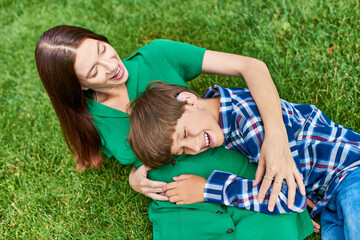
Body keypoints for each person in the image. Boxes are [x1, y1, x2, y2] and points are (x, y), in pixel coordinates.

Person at [35, 25, 313, 239]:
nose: (110, 66)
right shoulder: (88, 120)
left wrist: (276, 137)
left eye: (101, 49)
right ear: (79, 86)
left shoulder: (157, 55)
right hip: (178, 205)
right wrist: (135, 180)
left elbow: (251, 66)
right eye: (93, 70)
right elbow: (129, 156)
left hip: (238, 179)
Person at [128, 82, 360, 239]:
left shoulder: (248, 120)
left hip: (349, 174)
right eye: (184, 151)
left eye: (186, 134)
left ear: (189, 100)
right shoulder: (219, 119)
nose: (195, 146)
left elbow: (288, 199)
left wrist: (208, 189)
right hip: (325, 198)